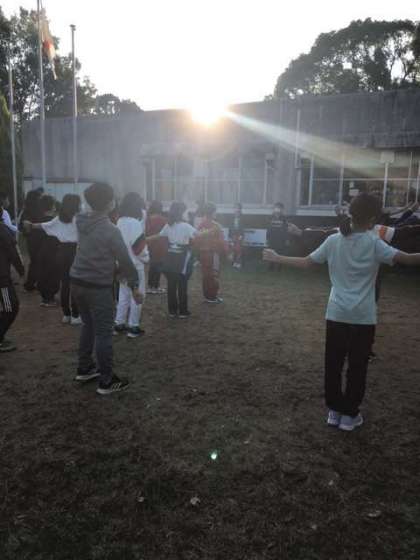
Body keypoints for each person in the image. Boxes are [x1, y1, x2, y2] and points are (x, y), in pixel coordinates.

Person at [263, 193, 420, 432]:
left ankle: (334, 411)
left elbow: (307, 262)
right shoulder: (374, 242)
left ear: (351, 213)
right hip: (363, 317)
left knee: (333, 364)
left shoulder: (334, 240)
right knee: (357, 367)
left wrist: (277, 257)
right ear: (372, 219)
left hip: (336, 314)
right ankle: (349, 415)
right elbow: (407, 259)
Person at [70, 182, 142, 395]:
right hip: (97, 286)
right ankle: (107, 381)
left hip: (77, 281)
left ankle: (85, 368)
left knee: (88, 325)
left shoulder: (80, 221)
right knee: (103, 333)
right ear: (110, 203)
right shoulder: (111, 230)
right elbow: (125, 261)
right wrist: (135, 285)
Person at [24, 194, 81, 324]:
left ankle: (66, 315)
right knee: (75, 284)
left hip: (61, 252)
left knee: (65, 283)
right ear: (76, 204)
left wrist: (31, 225)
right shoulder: (78, 218)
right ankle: (75, 315)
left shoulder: (59, 218)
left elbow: (45, 225)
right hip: (75, 252)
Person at [147, 201, 197, 318]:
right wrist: (212, 231)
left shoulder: (168, 225)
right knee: (182, 284)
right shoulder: (186, 226)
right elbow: (198, 235)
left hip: (170, 257)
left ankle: (172, 311)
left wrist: (144, 239)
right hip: (182, 258)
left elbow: (158, 236)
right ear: (181, 212)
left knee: (171, 285)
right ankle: (183, 311)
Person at [114, 192, 149, 338]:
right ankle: (134, 326)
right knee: (138, 295)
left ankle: (119, 323)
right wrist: (146, 258)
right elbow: (138, 247)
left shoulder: (119, 221)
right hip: (135, 264)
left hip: (121, 264)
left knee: (123, 295)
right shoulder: (135, 223)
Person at [0, 221, 24, 352]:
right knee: (11, 307)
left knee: (9, 307)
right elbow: (13, 253)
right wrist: (21, 271)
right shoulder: (2, 230)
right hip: (2, 279)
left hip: (3, 277)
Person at [196, 202, 227, 303]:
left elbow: (197, 239)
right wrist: (226, 251)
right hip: (213, 253)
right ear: (212, 212)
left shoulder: (201, 224)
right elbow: (222, 241)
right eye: (215, 212)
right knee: (214, 274)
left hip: (203, 253)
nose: (216, 213)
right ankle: (213, 296)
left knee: (205, 274)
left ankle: (207, 296)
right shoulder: (216, 225)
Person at [36, 195, 60, 307]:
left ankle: (45, 298)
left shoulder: (37, 221)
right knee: (53, 275)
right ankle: (50, 299)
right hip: (53, 253)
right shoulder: (54, 222)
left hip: (40, 252)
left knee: (42, 274)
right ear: (53, 206)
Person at [19, 190, 43, 291]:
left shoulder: (26, 210)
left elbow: (21, 226)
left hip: (31, 239)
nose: (41, 198)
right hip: (38, 239)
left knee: (35, 262)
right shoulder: (39, 210)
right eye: (40, 197)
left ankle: (31, 283)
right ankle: (31, 284)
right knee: (37, 262)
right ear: (35, 198)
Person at [145, 201, 167, 294]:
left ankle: (150, 286)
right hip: (160, 245)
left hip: (150, 243)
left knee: (152, 266)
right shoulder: (163, 219)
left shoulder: (148, 219)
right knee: (158, 266)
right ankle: (155, 286)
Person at [266, 202, 289, 270]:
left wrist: (286, 239)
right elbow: (268, 228)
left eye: (279, 208)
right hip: (272, 238)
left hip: (281, 238)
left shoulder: (284, 218)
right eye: (276, 207)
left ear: (282, 209)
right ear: (274, 209)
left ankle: (279, 267)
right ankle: (271, 267)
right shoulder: (270, 217)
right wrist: (267, 238)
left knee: (280, 252)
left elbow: (286, 229)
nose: (277, 209)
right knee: (271, 251)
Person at [229, 202, 244, 269]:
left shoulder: (243, 217)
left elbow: (243, 227)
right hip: (233, 235)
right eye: (235, 208)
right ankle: (233, 262)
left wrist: (241, 235)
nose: (237, 209)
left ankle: (239, 263)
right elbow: (230, 227)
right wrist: (229, 236)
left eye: (238, 208)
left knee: (239, 249)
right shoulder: (231, 217)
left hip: (239, 235)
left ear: (240, 209)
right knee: (233, 249)